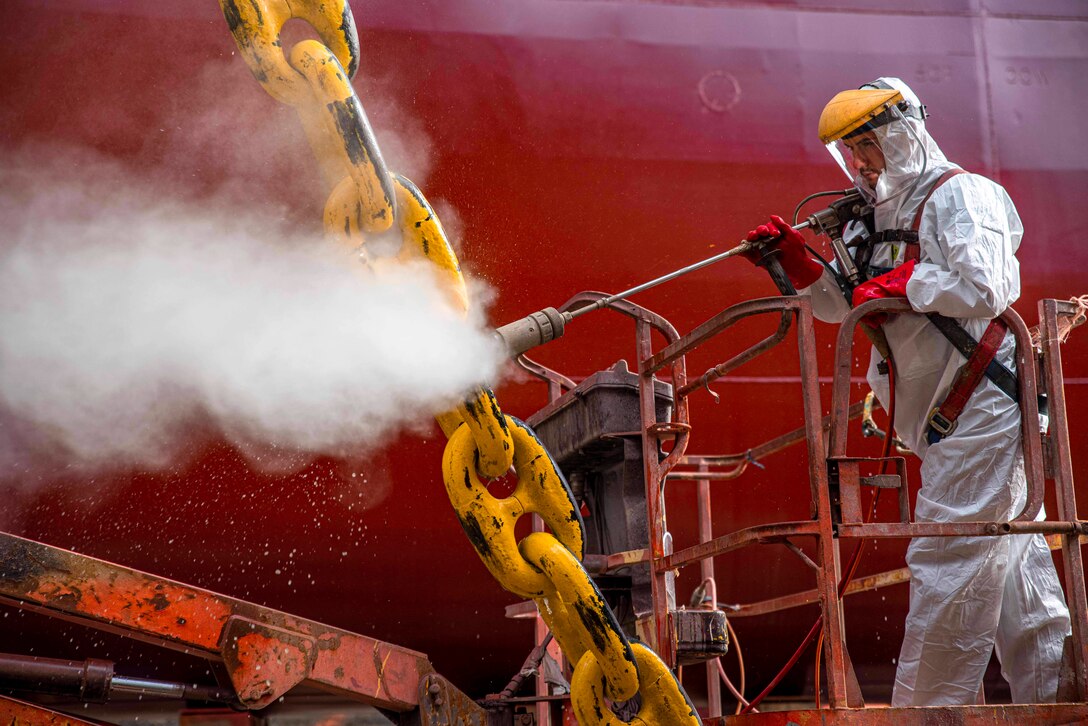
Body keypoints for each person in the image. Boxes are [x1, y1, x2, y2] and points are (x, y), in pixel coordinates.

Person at [744, 77, 1071, 706]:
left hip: (985, 408)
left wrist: (901, 282)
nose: (861, 163)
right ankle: (1060, 700)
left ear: (904, 133)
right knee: (1011, 574)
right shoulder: (874, 217)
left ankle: (927, 716)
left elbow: (988, 287)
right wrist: (799, 264)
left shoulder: (963, 196)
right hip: (947, 420)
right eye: (850, 152)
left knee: (949, 562)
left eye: (869, 145)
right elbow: (845, 308)